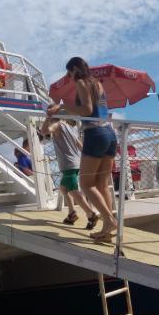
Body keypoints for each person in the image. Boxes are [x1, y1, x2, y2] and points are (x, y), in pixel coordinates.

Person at [47, 57, 118, 242]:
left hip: (95, 134)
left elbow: (86, 110)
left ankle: (110, 221)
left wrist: (61, 107)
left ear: (75, 69)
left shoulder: (81, 82)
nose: (69, 77)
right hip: (109, 134)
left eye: (69, 73)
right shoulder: (97, 84)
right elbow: (96, 108)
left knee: (86, 184)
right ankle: (107, 229)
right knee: (102, 184)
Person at [40, 116, 98, 229]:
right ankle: (72, 213)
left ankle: (91, 214)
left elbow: (44, 131)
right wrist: (87, 157)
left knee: (73, 189)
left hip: (68, 164)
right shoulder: (70, 127)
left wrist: (47, 118)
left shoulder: (56, 125)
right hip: (76, 162)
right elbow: (79, 144)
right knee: (63, 188)